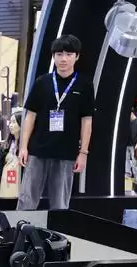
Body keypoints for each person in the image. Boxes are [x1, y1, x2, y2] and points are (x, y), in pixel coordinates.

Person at [17, 35, 94, 210]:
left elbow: (87, 120)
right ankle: (21, 227)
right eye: (59, 54)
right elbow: (30, 116)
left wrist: (83, 153)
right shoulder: (42, 82)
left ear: (77, 56)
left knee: (60, 204)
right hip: (37, 150)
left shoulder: (84, 84)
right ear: (53, 56)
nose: (63, 59)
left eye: (69, 54)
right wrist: (23, 147)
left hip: (66, 152)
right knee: (26, 200)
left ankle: (58, 229)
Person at [0, 111, 22, 197]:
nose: (10, 125)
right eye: (10, 122)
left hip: (20, 187)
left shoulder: (27, 146)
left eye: (14, 122)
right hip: (4, 185)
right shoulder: (6, 144)